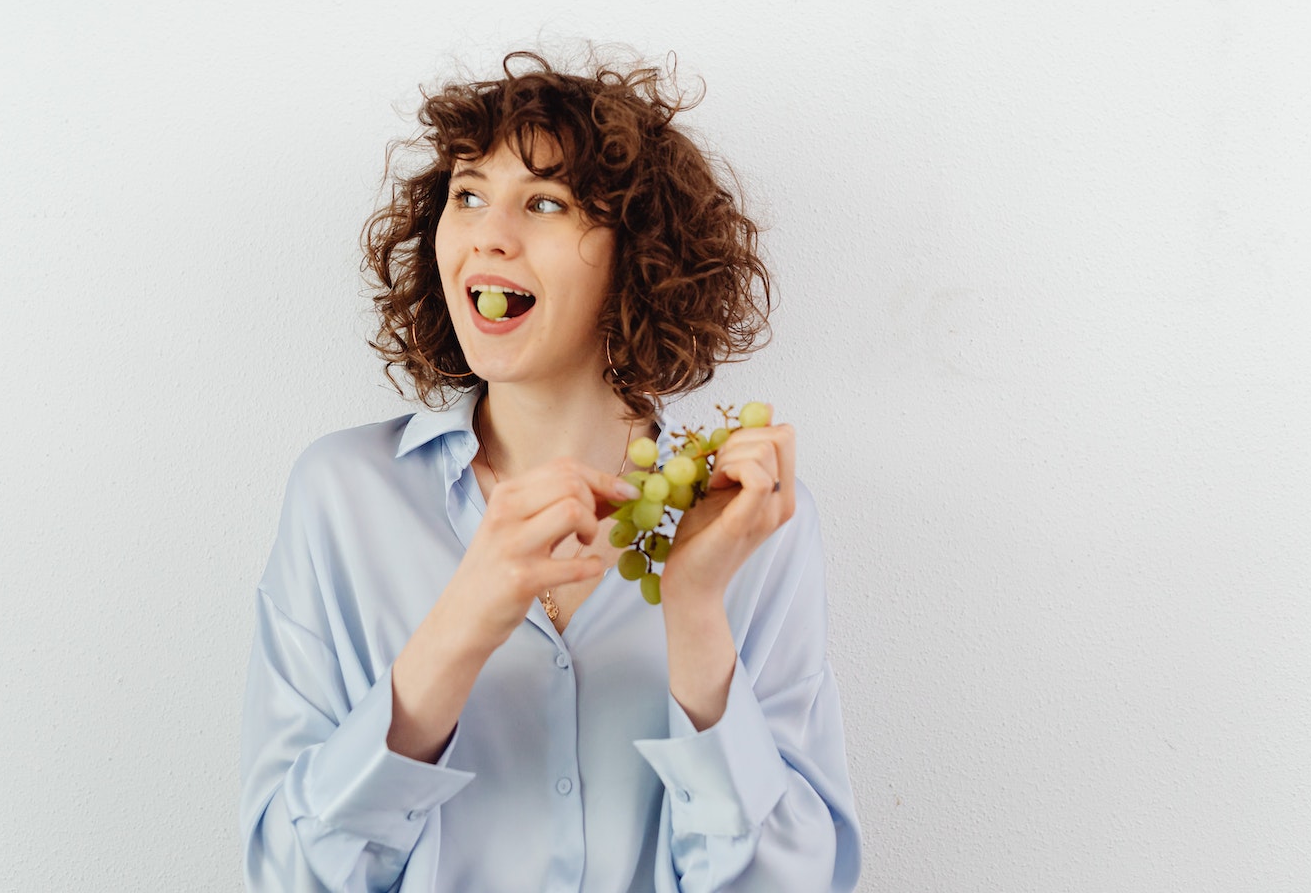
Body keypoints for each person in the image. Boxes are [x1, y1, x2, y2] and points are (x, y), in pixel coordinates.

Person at [239, 49, 861, 892]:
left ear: (638, 257)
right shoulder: (342, 496)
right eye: (467, 196)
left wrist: (695, 612)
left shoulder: (754, 518)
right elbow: (292, 877)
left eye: (545, 202)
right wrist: (464, 620)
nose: (489, 233)